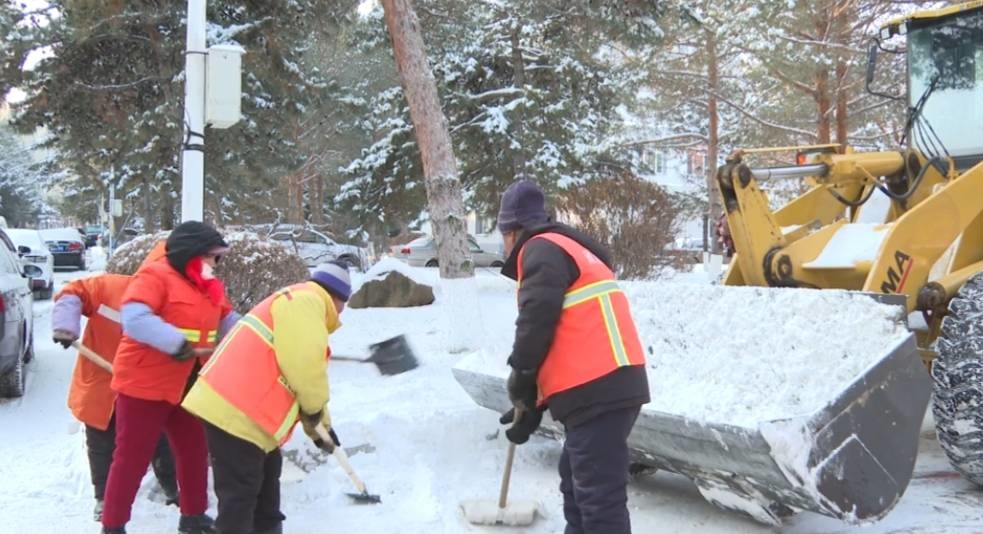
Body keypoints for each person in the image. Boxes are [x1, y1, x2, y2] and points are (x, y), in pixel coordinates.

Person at [495, 180, 650, 534]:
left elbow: (537, 316)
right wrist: (532, 402)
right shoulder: (569, 248)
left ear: (511, 231)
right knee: (576, 484)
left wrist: (521, 371)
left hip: (599, 386)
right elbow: (569, 334)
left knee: (598, 500)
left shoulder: (539, 247)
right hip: (606, 383)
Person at [182, 261, 351, 534]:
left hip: (247, 416)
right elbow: (305, 368)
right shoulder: (306, 303)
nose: (343, 314)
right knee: (240, 499)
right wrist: (316, 415)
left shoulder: (300, 301)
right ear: (338, 298)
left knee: (266, 494)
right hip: (235, 412)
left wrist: (322, 430)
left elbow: (303, 376)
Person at [100, 221, 239, 534]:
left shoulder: (207, 286)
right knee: (131, 458)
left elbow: (228, 318)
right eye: (213, 256)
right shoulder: (155, 275)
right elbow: (134, 318)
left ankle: (193, 516)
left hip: (188, 384)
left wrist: (254, 336)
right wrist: (174, 342)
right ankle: (113, 525)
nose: (216, 263)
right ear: (192, 253)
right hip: (144, 383)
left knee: (194, 450)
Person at [52, 269, 179, 522]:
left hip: (146, 383)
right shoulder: (107, 288)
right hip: (101, 381)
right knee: (101, 440)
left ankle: (173, 491)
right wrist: (65, 324)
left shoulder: (175, 302)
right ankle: (103, 497)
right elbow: (71, 292)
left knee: (159, 438)